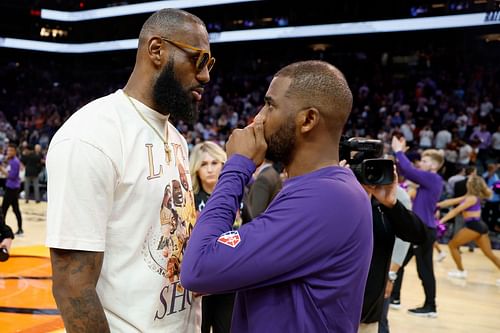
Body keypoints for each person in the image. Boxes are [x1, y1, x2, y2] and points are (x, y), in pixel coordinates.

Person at [46, 8, 213, 332]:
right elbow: (71, 284)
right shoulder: (91, 135)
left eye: (210, 64)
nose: (205, 75)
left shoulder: (176, 138)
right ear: (156, 50)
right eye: (199, 59)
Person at [181, 60, 373, 332]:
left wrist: (236, 166)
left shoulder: (328, 198)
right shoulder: (321, 189)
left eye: (270, 105)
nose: (258, 118)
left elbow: (198, 268)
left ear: (307, 120)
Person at [357, 169, 427, 333]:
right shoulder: (334, 194)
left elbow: (417, 236)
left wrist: (391, 204)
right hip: (330, 308)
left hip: (368, 310)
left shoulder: (386, 197)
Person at [390, 137, 444, 317]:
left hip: (423, 231)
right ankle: (394, 298)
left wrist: (398, 151)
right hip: (417, 229)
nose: (422, 162)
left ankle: (431, 306)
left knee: (425, 270)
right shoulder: (429, 180)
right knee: (399, 263)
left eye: (426, 161)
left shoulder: (433, 178)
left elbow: (407, 170)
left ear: (434, 166)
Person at [189, 141, 235, 333]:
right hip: (201, 277)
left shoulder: (236, 195)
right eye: (203, 164)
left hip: (230, 276)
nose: (209, 169)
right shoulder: (190, 199)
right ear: (196, 168)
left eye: (214, 163)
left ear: (223, 164)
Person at [437, 175, 500, 283]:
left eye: (468, 181)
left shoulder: (472, 198)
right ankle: (461, 271)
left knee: (452, 245)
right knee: (489, 254)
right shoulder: (470, 196)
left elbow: (456, 210)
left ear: (471, 184)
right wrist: (436, 205)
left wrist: (440, 221)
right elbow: (451, 201)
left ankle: (461, 271)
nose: (466, 182)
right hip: (479, 226)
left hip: (473, 226)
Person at [0, 143, 23, 236]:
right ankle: (20, 229)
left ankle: (3, 230)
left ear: (15, 151)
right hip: (13, 187)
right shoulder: (12, 160)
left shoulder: (15, 162)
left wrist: (1, 169)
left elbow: (12, 176)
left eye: (10, 150)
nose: (8, 152)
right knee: (16, 209)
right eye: (8, 150)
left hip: (12, 188)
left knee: (3, 209)